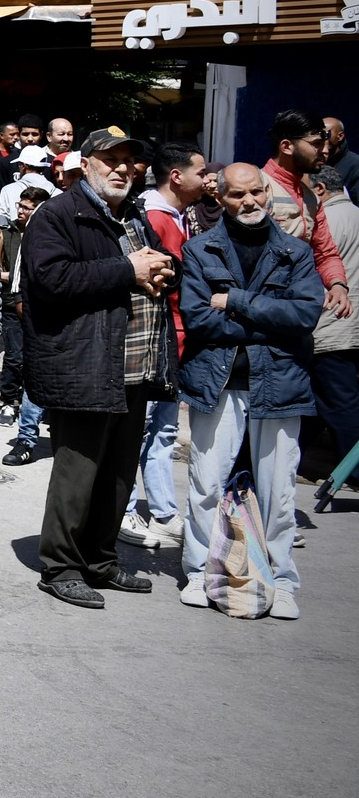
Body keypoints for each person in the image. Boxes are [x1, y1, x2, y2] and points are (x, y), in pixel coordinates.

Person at [25, 127, 177, 609]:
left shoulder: (133, 214)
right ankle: (61, 567)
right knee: (79, 474)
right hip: (86, 363)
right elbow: (51, 280)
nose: (121, 168)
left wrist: (164, 270)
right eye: (110, 159)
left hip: (134, 364)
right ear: (85, 163)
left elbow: (150, 263)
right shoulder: (58, 214)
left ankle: (100, 559)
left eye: (128, 160)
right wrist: (128, 270)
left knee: (118, 474)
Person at [176, 163, 322, 619]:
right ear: (220, 198)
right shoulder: (200, 249)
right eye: (238, 195)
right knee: (205, 483)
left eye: (256, 192)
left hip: (280, 383)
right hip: (218, 383)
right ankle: (199, 572)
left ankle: (282, 579)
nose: (250, 201)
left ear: (267, 192)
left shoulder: (295, 252)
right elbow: (199, 319)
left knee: (280, 492)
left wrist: (236, 301)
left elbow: (304, 316)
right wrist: (270, 321)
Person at [117, 142, 207, 548]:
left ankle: (164, 512)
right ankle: (123, 509)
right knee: (139, 430)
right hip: (156, 341)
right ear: (176, 176)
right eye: (200, 173)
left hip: (176, 340)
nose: (207, 180)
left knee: (163, 432)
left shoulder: (178, 215)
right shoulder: (154, 217)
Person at [261, 110, 354, 321]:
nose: (325, 151)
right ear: (287, 146)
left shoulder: (311, 198)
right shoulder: (258, 188)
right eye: (316, 144)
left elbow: (325, 252)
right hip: (260, 309)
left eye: (325, 144)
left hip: (294, 311)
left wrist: (338, 285)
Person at [303, 171, 359, 469]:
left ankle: (353, 471)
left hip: (332, 326)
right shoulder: (355, 215)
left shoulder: (327, 222)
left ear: (320, 189)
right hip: (347, 327)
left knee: (340, 404)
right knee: (319, 399)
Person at [0, 182, 54, 464]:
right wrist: (21, 302)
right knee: (28, 368)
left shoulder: (55, 229)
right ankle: (26, 438)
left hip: (61, 318)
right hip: (28, 314)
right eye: (21, 206)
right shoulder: (23, 233)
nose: (22, 212)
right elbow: (17, 276)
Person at [0, 145, 57, 227]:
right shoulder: (58, 193)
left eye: (19, 165)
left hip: (17, 235)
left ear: (24, 166)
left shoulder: (8, 190)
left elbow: (1, 222)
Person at [324, 115, 359, 201]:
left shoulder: (355, 165)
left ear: (340, 136)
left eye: (325, 134)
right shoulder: (314, 161)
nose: (320, 138)